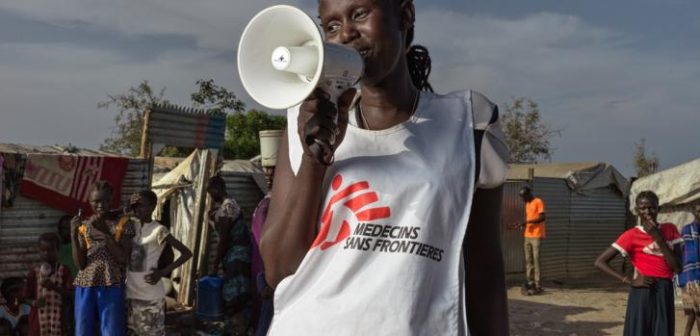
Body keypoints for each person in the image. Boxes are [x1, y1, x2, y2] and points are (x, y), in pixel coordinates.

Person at [258, 0, 509, 334]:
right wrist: (315, 158)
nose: (346, 33)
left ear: (404, 15)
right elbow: (278, 270)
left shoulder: (468, 123)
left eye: (359, 14)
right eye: (331, 26)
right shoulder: (304, 122)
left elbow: (485, 271)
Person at [594, 190, 682, 336]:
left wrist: (659, 238)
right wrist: (628, 280)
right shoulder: (631, 235)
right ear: (636, 211)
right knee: (639, 331)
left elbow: (678, 268)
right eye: (643, 208)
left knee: (663, 331)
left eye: (652, 207)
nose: (647, 212)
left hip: (664, 290)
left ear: (658, 209)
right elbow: (600, 262)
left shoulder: (670, 229)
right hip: (642, 291)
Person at [71, 181, 135, 336]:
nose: (101, 205)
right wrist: (73, 234)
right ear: (89, 201)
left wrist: (106, 232)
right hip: (85, 284)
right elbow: (80, 264)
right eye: (96, 201)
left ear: (112, 199)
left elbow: (123, 258)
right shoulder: (84, 226)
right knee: (83, 330)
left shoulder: (123, 223)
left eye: (105, 200)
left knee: (112, 330)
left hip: (111, 283)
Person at [126, 189, 193, 336]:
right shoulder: (132, 226)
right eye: (136, 205)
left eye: (141, 205)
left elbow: (187, 253)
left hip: (150, 296)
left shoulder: (159, 230)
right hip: (131, 294)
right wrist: (128, 206)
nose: (138, 209)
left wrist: (163, 272)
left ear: (152, 207)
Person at [206, 175, 252, 331]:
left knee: (235, 295)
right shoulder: (226, 207)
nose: (211, 196)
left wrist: (214, 265)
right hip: (235, 256)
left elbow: (224, 238)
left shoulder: (227, 206)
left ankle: (237, 328)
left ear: (217, 189)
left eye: (211, 192)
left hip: (237, 257)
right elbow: (224, 231)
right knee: (237, 294)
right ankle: (236, 327)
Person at [24, 233, 73, 336]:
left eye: (50, 250)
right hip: (38, 322)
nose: (46, 253)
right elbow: (25, 297)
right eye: (43, 250)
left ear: (57, 250)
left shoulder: (64, 271)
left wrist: (54, 287)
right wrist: (34, 303)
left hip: (59, 320)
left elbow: (71, 294)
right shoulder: (33, 273)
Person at [250, 165, 274, 336]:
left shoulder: (272, 204)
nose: (268, 176)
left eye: (272, 172)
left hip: (267, 267)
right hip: (261, 264)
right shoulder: (266, 203)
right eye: (266, 172)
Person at [513, 186, 546, 295]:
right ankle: (530, 282)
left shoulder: (538, 201)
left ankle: (538, 285)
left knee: (536, 260)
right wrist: (522, 225)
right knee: (528, 260)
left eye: (524, 197)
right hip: (527, 235)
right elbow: (529, 219)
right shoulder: (527, 204)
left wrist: (527, 223)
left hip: (536, 235)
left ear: (529, 194)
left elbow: (542, 217)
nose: (523, 199)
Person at [679, 203, 700, 336]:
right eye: (699, 211)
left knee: (694, 311)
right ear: (694, 213)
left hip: (692, 276)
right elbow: (687, 254)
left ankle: (686, 334)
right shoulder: (687, 230)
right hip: (690, 276)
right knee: (697, 311)